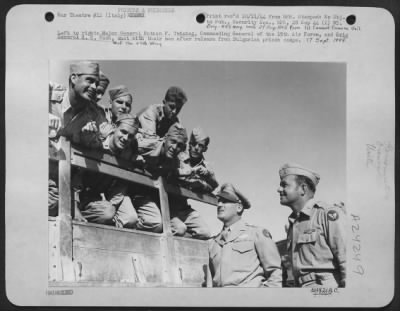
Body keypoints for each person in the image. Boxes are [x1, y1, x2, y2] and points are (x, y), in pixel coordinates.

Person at [278, 163, 346, 288]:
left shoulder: (327, 214)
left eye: (284, 185)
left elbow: (347, 261)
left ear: (303, 189)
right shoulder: (294, 224)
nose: (279, 189)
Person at [208, 183, 282, 287]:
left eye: (225, 201)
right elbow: (210, 283)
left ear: (239, 207)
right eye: (219, 201)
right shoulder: (213, 243)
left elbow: (275, 273)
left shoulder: (256, 234)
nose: (219, 205)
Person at [75, 114, 140, 228]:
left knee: (130, 217)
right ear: (114, 127)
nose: (125, 138)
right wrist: (74, 207)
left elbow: (122, 183)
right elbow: (76, 174)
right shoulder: (97, 141)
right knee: (107, 212)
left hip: (98, 197)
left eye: (130, 136)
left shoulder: (127, 153)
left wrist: (112, 204)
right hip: (79, 193)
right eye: (123, 132)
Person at [132, 123, 188, 233]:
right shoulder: (147, 146)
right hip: (135, 193)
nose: (175, 148)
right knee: (156, 222)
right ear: (165, 138)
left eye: (180, 145)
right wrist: (133, 156)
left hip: (155, 198)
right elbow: (124, 145)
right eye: (173, 142)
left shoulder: (175, 160)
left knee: (180, 229)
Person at [168, 127, 218, 239]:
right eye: (194, 144)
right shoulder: (179, 155)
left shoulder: (205, 166)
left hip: (183, 208)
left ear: (205, 148)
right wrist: (188, 175)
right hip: (168, 205)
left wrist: (205, 179)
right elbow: (170, 173)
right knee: (180, 229)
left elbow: (214, 186)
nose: (196, 148)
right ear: (189, 144)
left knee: (205, 232)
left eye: (200, 146)